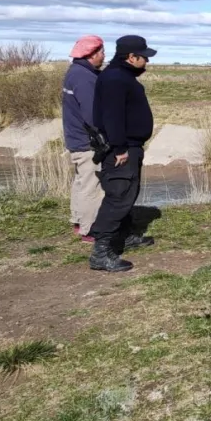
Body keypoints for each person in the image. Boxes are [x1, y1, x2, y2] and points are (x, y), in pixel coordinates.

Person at [88, 35, 157, 273]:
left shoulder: (120, 76)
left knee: (127, 194)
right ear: (131, 57)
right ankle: (101, 253)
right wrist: (119, 148)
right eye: (144, 57)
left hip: (129, 146)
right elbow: (112, 116)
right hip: (122, 148)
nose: (146, 61)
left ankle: (124, 237)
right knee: (118, 197)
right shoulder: (116, 79)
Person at [62, 35, 106, 243]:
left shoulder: (75, 71)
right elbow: (92, 113)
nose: (104, 56)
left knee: (81, 181)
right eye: (102, 52)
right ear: (92, 54)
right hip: (87, 141)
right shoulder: (84, 77)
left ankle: (79, 221)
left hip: (76, 138)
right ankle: (89, 230)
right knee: (91, 184)